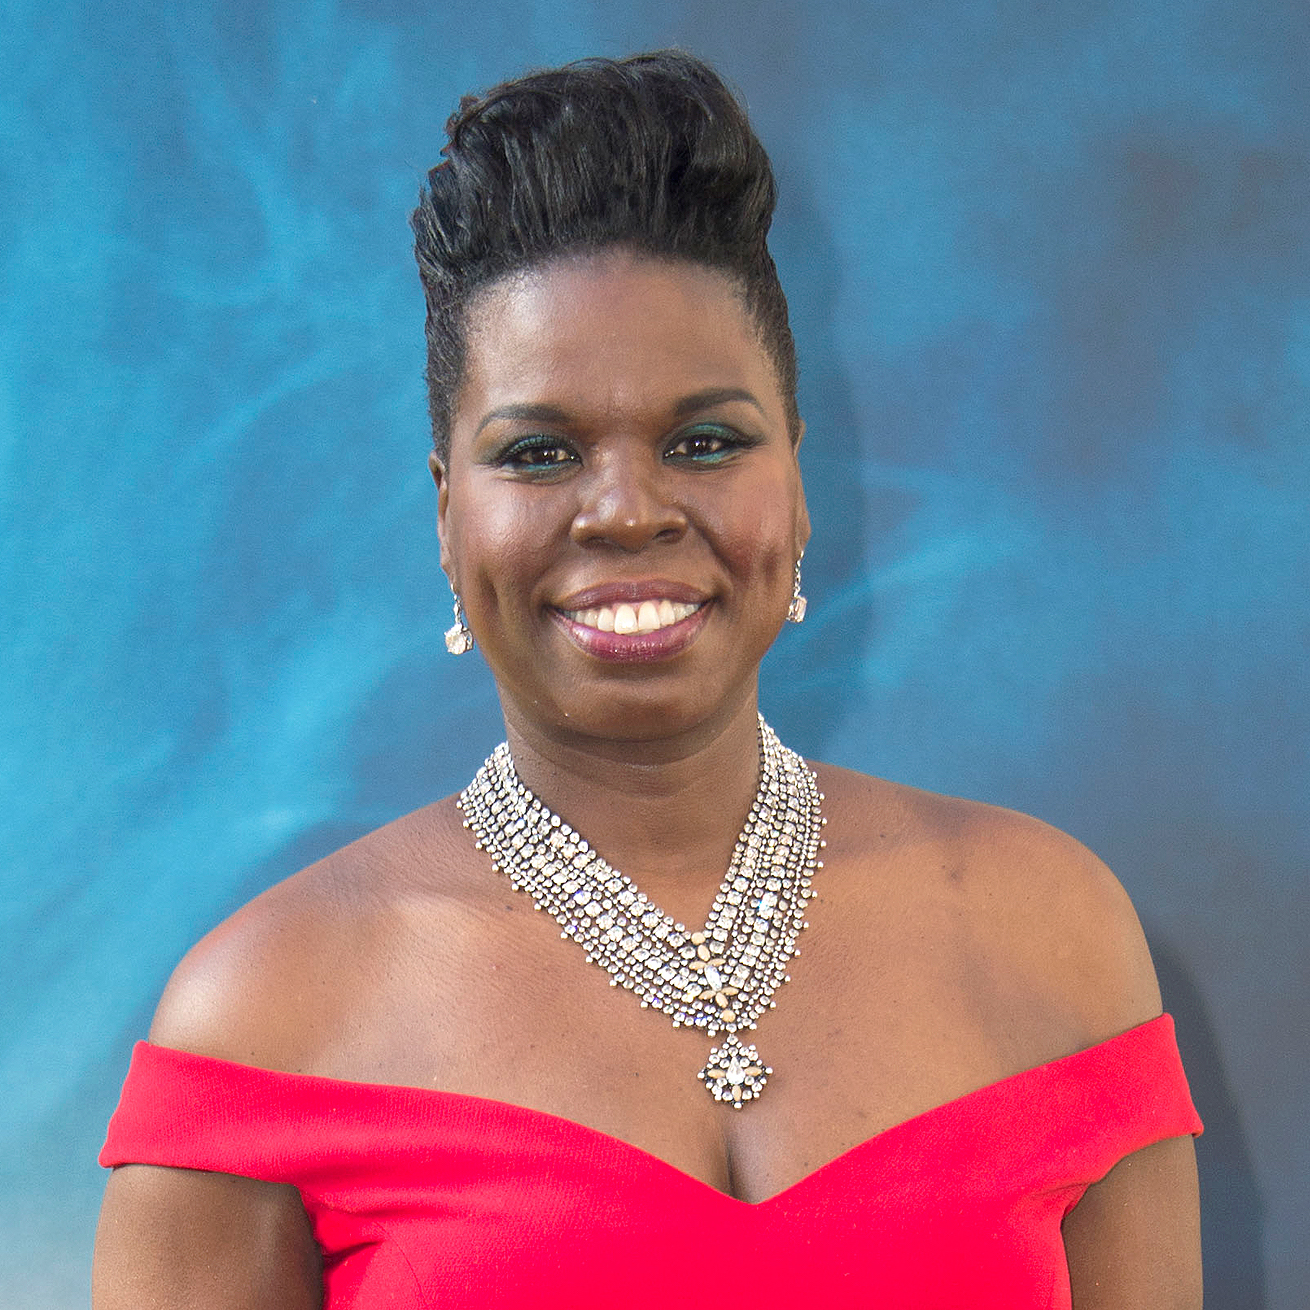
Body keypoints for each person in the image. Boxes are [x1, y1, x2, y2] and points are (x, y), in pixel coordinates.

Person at [92, 51, 1202, 1309]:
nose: (625, 509)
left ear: (794, 481)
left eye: (705, 440)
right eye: (541, 449)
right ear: (448, 517)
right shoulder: (264, 1013)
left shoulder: (1049, 933)